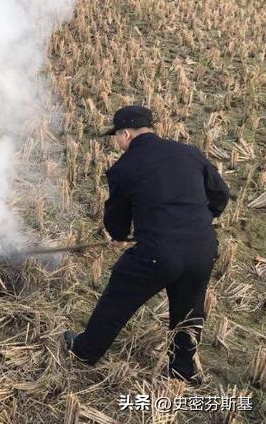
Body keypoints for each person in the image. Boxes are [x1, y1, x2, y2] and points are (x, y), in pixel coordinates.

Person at [63, 105, 230, 384]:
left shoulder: (124, 168)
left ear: (126, 134)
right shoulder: (189, 153)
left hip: (158, 253)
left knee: (118, 297)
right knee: (189, 311)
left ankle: (84, 350)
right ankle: (182, 371)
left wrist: (124, 235)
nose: (116, 142)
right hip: (203, 247)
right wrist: (195, 221)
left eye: (116, 135)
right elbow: (221, 195)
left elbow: (116, 226)